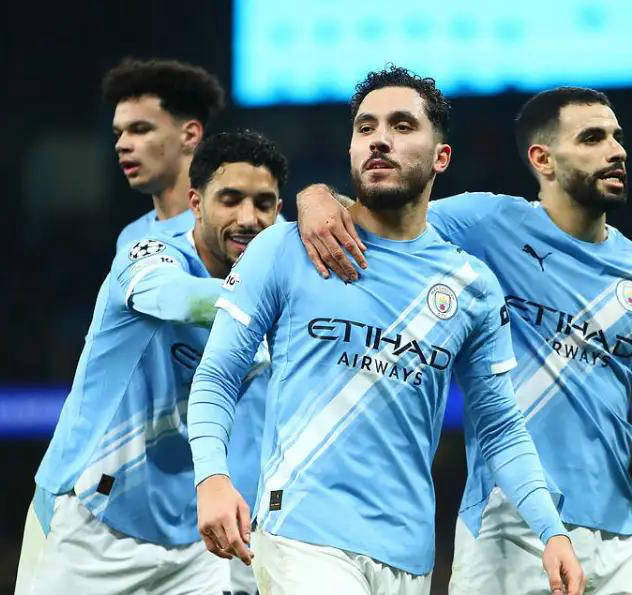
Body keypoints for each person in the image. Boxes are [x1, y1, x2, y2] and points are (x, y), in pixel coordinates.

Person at [296, 86, 632, 594]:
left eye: (617, 138)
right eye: (593, 138)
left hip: (618, 543)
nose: (616, 151)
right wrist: (314, 197)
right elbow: (381, 219)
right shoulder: (486, 223)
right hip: (507, 526)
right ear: (542, 159)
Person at [187, 66, 585, 595]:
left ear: (441, 157)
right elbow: (217, 375)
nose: (379, 139)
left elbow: (500, 428)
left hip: (409, 556)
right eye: (365, 127)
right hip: (301, 533)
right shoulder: (284, 248)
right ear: (351, 149)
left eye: (401, 125)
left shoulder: (472, 286)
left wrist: (551, 531)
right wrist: (212, 477)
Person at [14, 130, 286, 595]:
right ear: (196, 203)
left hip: (193, 542)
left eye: (263, 204)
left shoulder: (275, 281)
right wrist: (264, 303)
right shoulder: (150, 254)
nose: (248, 218)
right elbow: (172, 296)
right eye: (230, 199)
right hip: (88, 522)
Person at [104, 57, 226, 251]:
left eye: (140, 129)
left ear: (190, 135)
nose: (121, 145)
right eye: (119, 133)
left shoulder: (238, 226)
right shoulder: (131, 238)